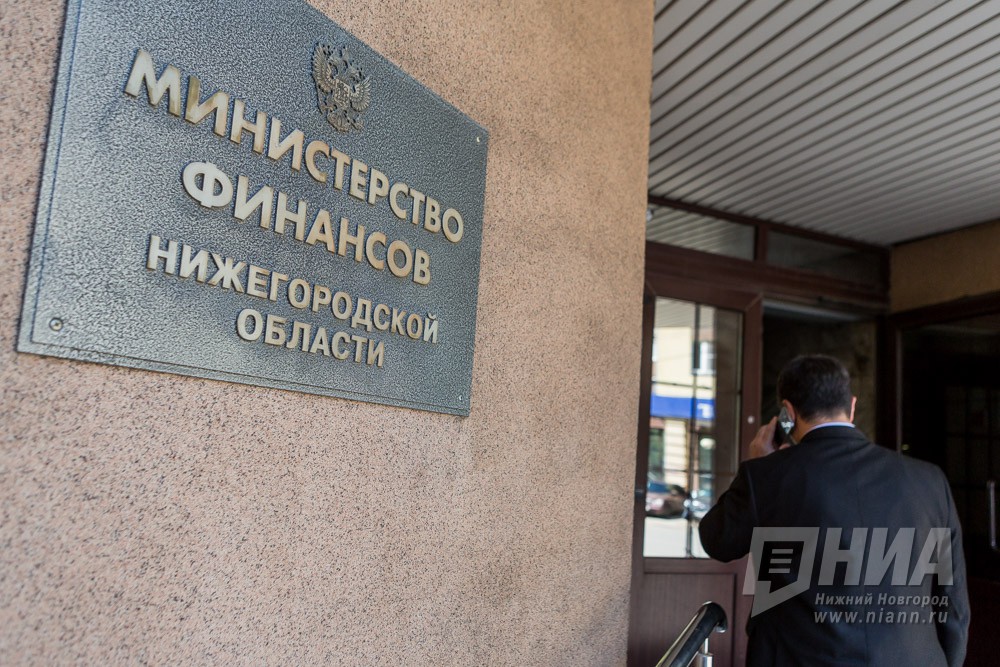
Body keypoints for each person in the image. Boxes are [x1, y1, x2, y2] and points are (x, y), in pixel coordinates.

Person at [699, 354, 969, 666]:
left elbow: (717, 540)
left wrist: (759, 466)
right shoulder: (930, 480)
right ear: (851, 406)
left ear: (788, 412)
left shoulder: (767, 475)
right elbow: (953, 603)